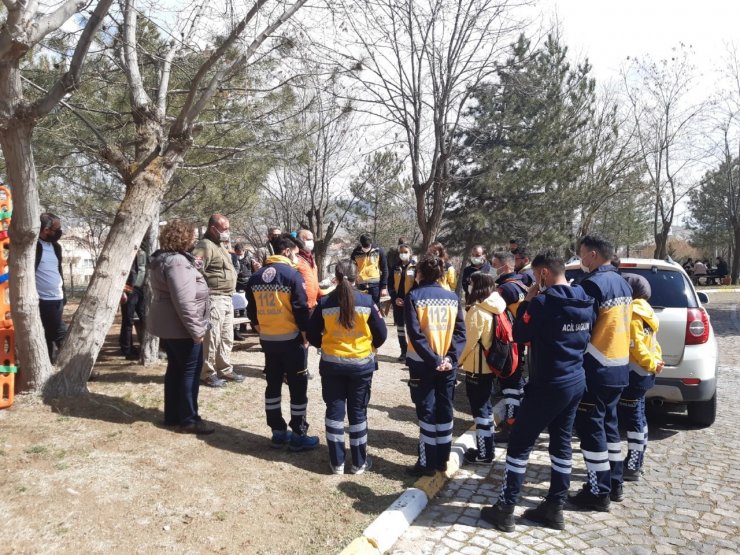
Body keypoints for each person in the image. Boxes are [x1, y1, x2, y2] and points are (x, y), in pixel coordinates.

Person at [480, 250, 595, 532]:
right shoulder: (584, 298)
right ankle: (554, 508)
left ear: (543, 273)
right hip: (575, 381)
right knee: (561, 443)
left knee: (519, 443)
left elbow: (519, 335)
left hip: (548, 384)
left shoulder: (543, 302)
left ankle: (505, 509)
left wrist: (528, 301)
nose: (533, 281)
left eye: (534, 276)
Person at [570, 234, 633, 511]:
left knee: (591, 430)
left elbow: (582, 329)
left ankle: (597, 492)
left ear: (594, 254)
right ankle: (615, 483)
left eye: (582, 254)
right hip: (619, 366)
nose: (581, 259)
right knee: (609, 427)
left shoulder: (593, 285)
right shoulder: (623, 282)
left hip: (596, 367)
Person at [307, 260, 387, 474]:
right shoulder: (367, 301)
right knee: (358, 412)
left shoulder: (325, 302)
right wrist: (368, 345)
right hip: (361, 365)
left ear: (336, 277)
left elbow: (312, 333)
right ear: (357, 277)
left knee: (334, 411)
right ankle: (359, 463)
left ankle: (337, 463)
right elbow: (381, 334)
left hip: (332, 364)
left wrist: (325, 343)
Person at [246, 233, 319, 451]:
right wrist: (306, 336)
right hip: (291, 341)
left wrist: (263, 331)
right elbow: (300, 309)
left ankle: (277, 432)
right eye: (296, 254)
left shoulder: (256, 277)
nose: (298, 259)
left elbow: (252, 312)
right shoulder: (292, 275)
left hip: (269, 342)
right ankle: (298, 433)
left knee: (273, 385)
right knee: (298, 387)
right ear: (286, 252)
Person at [148, 220, 213, 434]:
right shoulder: (177, 262)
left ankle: (173, 415)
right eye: (192, 235)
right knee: (188, 372)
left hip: (172, 326)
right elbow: (184, 300)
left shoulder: (165, 258)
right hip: (182, 327)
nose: (194, 239)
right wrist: (196, 331)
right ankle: (189, 419)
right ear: (183, 237)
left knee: (175, 369)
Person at [404, 255, 466, 477]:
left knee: (427, 412)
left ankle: (427, 463)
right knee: (444, 409)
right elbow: (460, 332)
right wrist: (449, 358)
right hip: (448, 366)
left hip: (423, 364)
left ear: (420, 273)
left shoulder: (414, 296)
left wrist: (434, 360)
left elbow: (415, 334)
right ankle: (442, 460)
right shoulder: (452, 297)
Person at [458, 272, 506, 465]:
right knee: (485, 407)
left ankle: (484, 453)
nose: (468, 286)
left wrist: (457, 361)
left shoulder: (477, 310)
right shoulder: (496, 305)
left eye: (470, 283)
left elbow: (468, 342)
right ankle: (487, 449)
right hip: (490, 364)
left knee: (480, 411)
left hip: (477, 367)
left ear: (477, 286)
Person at [619, 273, 663, 482]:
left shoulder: (633, 313)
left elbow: (635, 345)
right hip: (645, 373)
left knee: (634, 419)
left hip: (635, 372)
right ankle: (638, 460)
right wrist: (655, 363)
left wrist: (651, 363)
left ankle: (634, 464)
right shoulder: (648, 312)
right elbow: (653, 343)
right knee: (640, 416)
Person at [193, 214, 243, 387]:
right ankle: (207, 373)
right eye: (224, 229)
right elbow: (195, 271)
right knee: (212, 337)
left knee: (226, 336)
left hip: (227, 297)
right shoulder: (204, 245)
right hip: (213, 298)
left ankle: (225, 368)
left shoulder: (220, 245)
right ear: (213, 228)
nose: (227, 232)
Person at [490, 251, 529, 442]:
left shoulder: (506, 290)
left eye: (494, 264)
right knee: (516, 384)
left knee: (510, 386)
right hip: (519, 341)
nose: (492, 267)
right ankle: (517, 422)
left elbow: (492, 311)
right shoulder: (523, 284)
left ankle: (511, 426)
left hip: (509, 343)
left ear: (505, 267)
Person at [35, 213, 67, 363]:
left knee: (48, 334)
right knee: (63, 334)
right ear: (46, 230)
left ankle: (50, 363)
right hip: (43, 300)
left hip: (58, 298)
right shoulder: (34, 247)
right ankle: (75, 366)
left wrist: (64, 293)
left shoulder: (56, 247)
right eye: (57, 228)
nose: (60, 231)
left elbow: (58, 270)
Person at [388, 243, 416, 361]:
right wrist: (395, 298)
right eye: (401, 252)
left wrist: (408, 298)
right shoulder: (395, 267)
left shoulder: (416, 267)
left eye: (405, 252)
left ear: (410, 253)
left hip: (410, 302)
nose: (403, 254)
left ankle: (411, 352)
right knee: (400, 327)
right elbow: (390, 284)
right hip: (397, 301)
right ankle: (403, 351)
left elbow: (418, 285)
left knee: (411, 328)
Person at [120, 247, 148, 359]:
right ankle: (127, 349)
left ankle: (145, 346)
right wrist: (122, 292)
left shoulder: (143, 253)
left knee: (143, 318)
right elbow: (120, 273)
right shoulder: (125, 253)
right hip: (129, 289)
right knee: (128, 320)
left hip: (141, 290)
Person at [350, 234, 389, 305]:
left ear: (371, 243)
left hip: (375, 286)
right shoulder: (355, 253)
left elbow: (385, 269)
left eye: (367, 246)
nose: (365, 248)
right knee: (361, 307)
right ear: (361, 243)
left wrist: (384, 287)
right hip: (360, 285)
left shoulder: (379, 251)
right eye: (364, 246)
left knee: (375, 307)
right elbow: (351, 269)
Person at [231, 242, 257, 339]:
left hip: (248, 282)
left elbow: (254, 270)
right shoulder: (233, 258)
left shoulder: (250, 258)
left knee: (249, 304)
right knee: (237, 306)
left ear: (244, 251)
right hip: (237, 283)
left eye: (240, 253)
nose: (239, 255)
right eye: (237, 253)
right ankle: (240, 328)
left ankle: (254, 325)